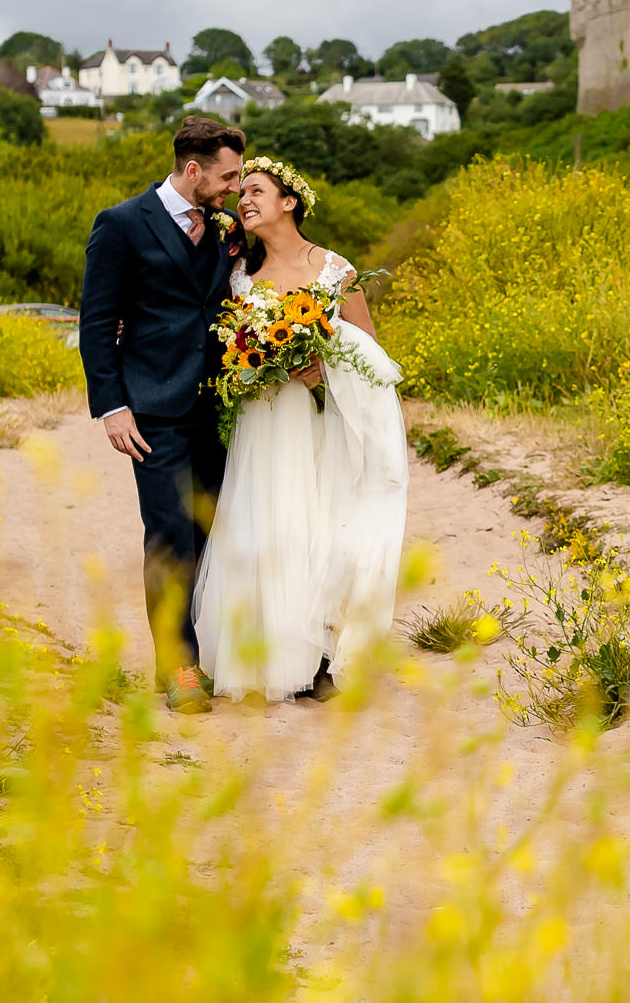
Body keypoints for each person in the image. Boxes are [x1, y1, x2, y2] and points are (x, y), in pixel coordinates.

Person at [191, 156, 408, 705]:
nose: (244, 201)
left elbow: (373, 353)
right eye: (241, 195)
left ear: (291, 202)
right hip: (264, 420)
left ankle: (325, 660)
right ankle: (273, 657)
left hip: (323, 420)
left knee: (327, 529)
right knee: (269, 530)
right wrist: (253, 359)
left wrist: (324, 364)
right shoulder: (239, 276)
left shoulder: (336, 270)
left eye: (257, 191)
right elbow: (220, 344)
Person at [77, 117, 244, 714]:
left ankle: (193, 653)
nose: (234, 187)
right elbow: (96, 321)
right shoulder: (121, 225)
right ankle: (179, 664)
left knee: (207, 533)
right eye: (227, 176)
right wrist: (112, 406)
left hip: (220, 407)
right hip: (151, 410)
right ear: (192, 169)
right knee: (170, 535)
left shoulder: (226, 229)